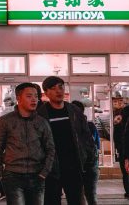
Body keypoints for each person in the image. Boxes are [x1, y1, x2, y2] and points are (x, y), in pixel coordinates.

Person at [0, 82, 56, 205]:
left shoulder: (41, 122)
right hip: (13, 175)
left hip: (37, 175)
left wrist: (44, 172)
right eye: (29, 96)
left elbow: (50, 148)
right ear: (18, 98)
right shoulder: (5, 121)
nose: (34, 100)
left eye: (36, 96)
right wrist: (0, 173)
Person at [37, 76, 97, 205]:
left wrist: (89, 158)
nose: (59, 91)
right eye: (53, 89)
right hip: (50, 168)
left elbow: (86, 136)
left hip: (74, 165)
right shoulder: (40, 114)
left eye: (61, 87)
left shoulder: (74, 111)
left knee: (76, 199)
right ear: (46, 93)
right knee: (51, 200)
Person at [71, 100, 99, 205]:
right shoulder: (89, 125)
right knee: (86, 195)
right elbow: (96, 144)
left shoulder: (89, 126)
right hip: (83, 165)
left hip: (88, 164)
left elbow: (95, 144)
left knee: (88, 195)